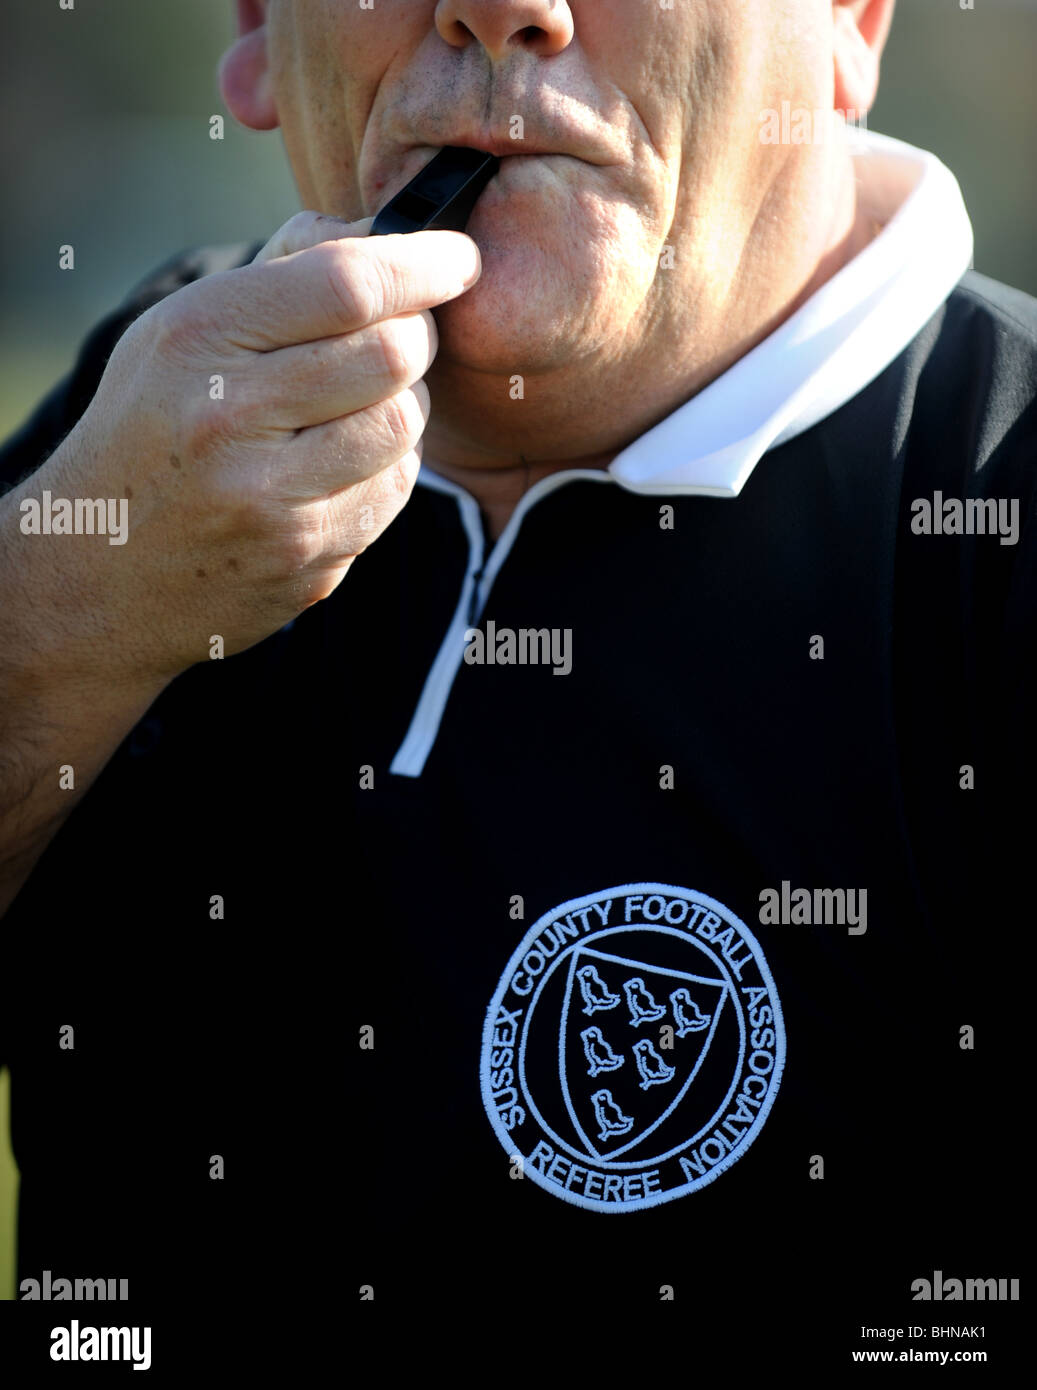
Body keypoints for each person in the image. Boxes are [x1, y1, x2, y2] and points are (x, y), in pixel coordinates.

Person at [0, 0, 1032, 1367]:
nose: (503, 7)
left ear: (845, 23)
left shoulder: (991, 508)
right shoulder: (127, 432)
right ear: (254, 27)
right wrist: (55, 618)